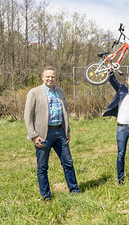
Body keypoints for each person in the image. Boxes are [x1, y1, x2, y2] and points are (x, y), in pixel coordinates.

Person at [24, 67, 80, 201]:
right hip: (43, 134)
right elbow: (28, 115)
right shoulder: (34, 92)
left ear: (55, 78)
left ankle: (74, 190)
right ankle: (46, 196)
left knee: (68, 163)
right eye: (47, 76)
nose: (50, 79)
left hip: (60, 132)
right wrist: (33, 135)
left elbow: (65, 112)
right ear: (42, 77)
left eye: (53, 76)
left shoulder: (60, 91)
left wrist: (67, 131)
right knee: (42, 166)